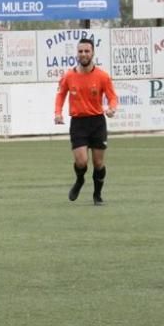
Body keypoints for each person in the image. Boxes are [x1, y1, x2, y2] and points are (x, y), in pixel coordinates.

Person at [53, 38, 118, 206]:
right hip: (78, 123)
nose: (83, 54)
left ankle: (97, 195)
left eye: (87, 51)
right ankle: (80, 180)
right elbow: (60, 95)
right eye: (80, 51)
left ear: (93, 53)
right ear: (77, 53)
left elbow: (112, 97)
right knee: (81, 161)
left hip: (97, 122)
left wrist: (111, 108)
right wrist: (57, 113)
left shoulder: (103, 76)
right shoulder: (69, 75)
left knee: (98, 163)